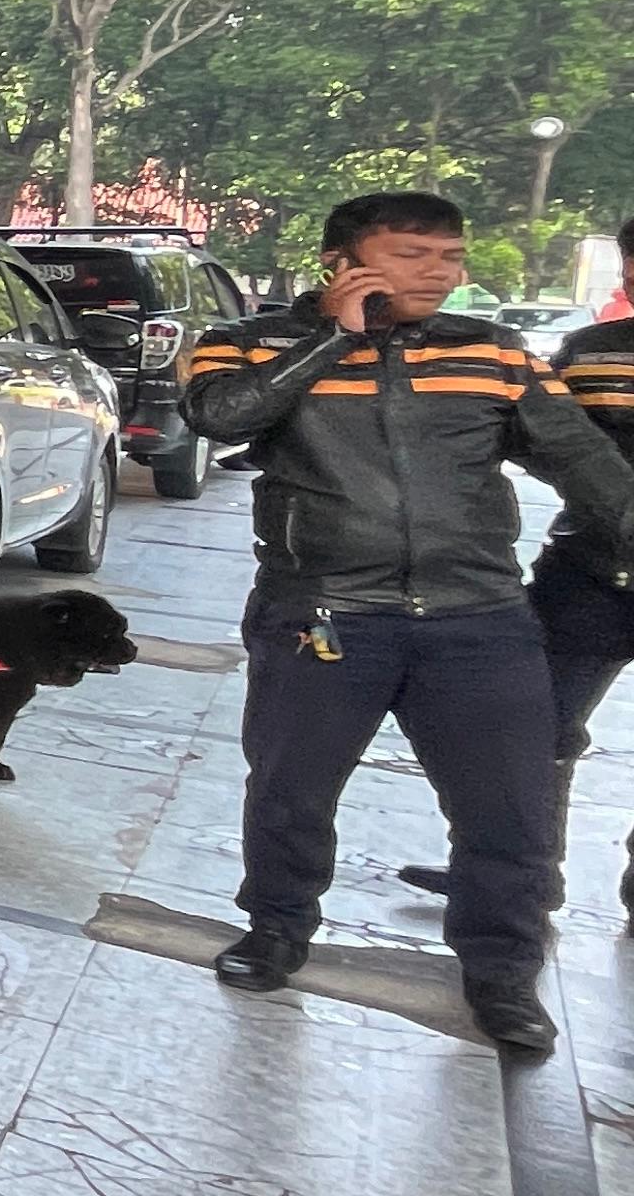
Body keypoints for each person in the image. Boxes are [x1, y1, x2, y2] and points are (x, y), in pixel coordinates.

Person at [182, 193, 634, 1052]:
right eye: (412, 254)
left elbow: (584, 462)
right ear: (341, 263)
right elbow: (220, 417)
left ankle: (502, 973)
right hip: (323, 613)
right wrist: (333, 337)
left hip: (478, 617)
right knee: (290, 792)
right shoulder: (249, 343)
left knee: (509, 809)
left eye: (450, 256)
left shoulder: (491, 352)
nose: (440, 273)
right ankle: (278, 927)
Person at [407, 211, 634, 914]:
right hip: (589, 574)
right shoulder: (591, 352)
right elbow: (536, 437)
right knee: (531, 728)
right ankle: (523, 874)